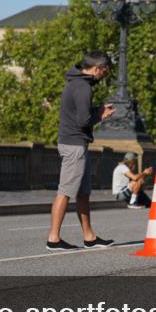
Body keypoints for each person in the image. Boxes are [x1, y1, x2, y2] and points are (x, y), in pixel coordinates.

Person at [47, 51, 116, 251]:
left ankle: (89, 236)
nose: (104, 75)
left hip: (76, 144)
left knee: (83, 193)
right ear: (96, 69)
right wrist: (100, 115)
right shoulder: (83, 87)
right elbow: (83, 121)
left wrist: (96, 111)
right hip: (74, 145)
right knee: (65, 191)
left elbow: (81, 114)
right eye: (105, 71)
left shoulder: (76, 83)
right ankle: (53, 238)